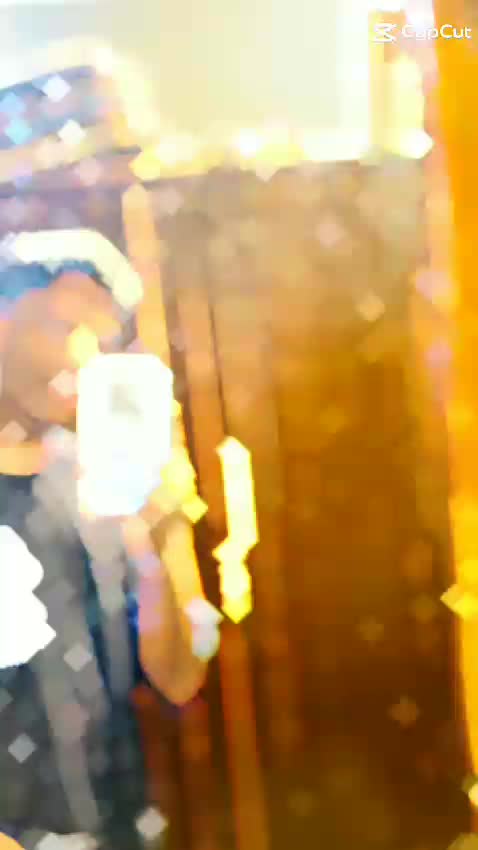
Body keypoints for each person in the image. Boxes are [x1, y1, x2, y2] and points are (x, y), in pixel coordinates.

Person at [0, 262, 209, 850]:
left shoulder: (94, 485)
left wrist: (166, 526)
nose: (81, 353)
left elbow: (178, 676)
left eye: (100, 335)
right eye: (62, 324)